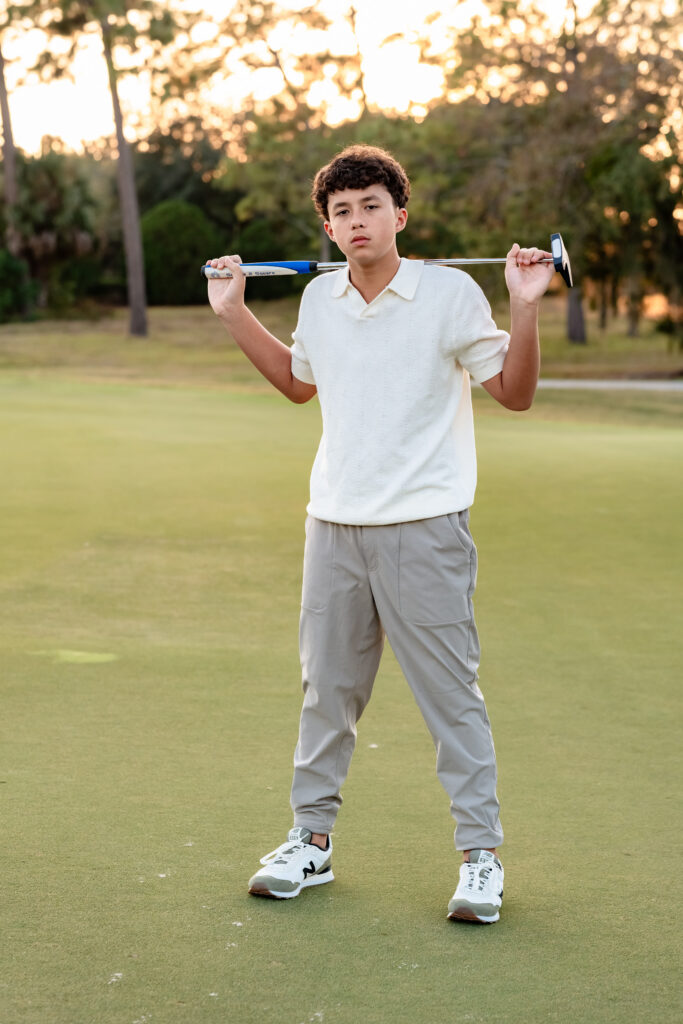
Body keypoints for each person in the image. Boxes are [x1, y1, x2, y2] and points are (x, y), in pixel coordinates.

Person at [206, 144, 554, 924]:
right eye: (341, 212)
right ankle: (310, 840)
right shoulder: (320, 302)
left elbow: (517, 394)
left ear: (399, 215)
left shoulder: (450, 293)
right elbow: (299, 384)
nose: (356, 221)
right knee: (326, 694)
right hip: (332, 527)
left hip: (424, 529)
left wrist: (525, 304)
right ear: (327, 230)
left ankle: (480, 856)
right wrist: (234, 312)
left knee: (448, 698)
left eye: (370, 206)